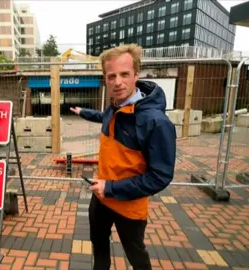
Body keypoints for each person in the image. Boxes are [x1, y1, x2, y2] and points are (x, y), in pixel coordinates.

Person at [70, 44, 176, 270]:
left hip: (129, 206)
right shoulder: (114, 106)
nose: (118, 82)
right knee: (98, 247)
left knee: (135, 254)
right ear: (105, 79)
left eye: (124, 74)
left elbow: (160, 176)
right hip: (100, 198)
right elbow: (105, 116)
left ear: (136, 74)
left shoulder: (156, 122)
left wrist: (111, 188)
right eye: (111, 76)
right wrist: (83, 112)